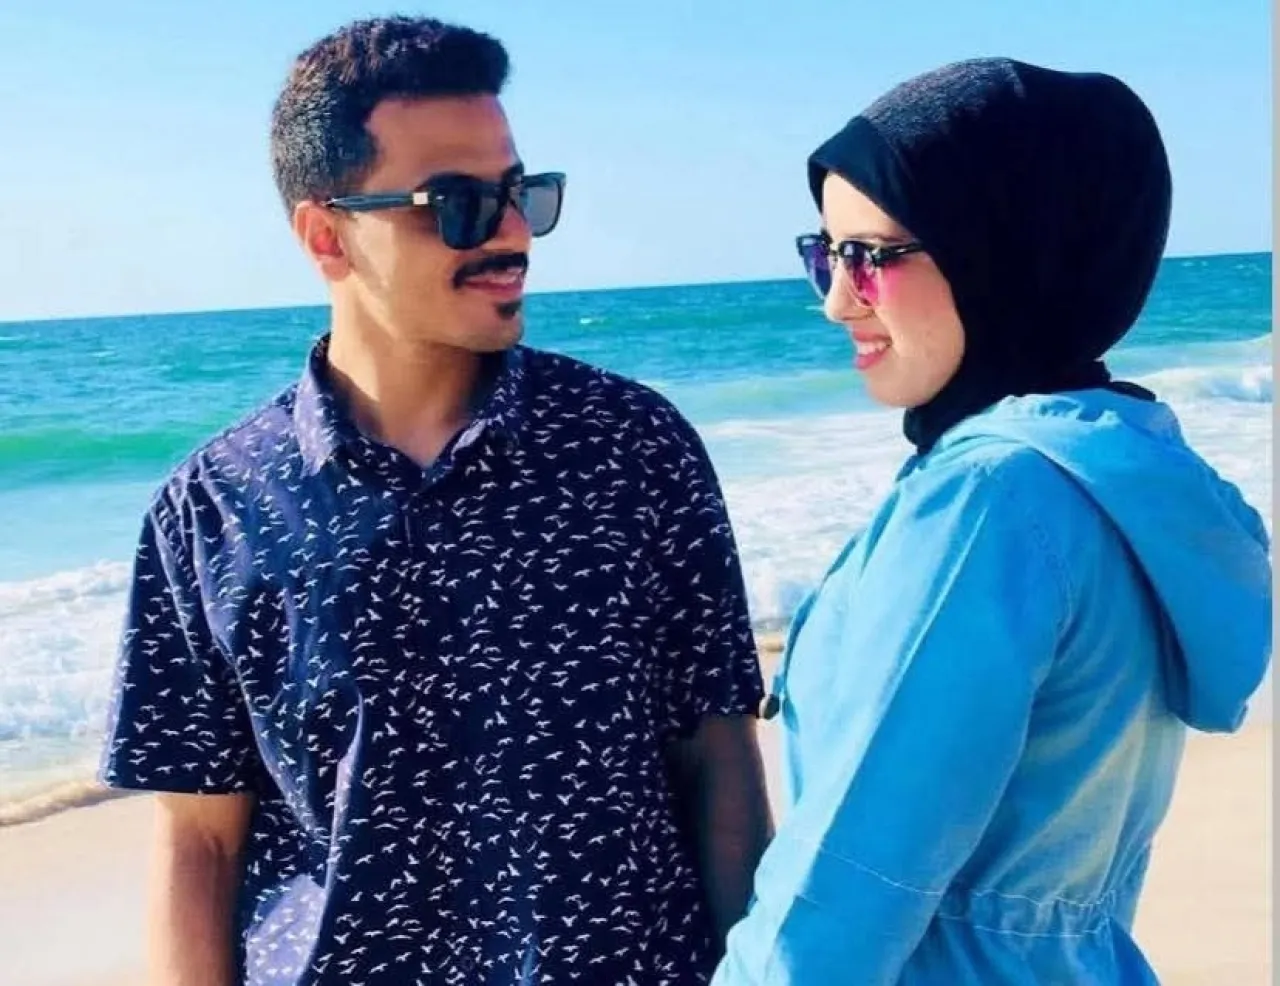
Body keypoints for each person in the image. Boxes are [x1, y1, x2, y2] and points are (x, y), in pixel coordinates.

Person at [99, 15, 772, 986]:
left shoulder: (635, 449)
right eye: (456, 203)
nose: (510, 233)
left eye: (520, 194)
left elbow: (718, 757)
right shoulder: (212, 510)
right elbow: (198, 840)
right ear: (326, 234)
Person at [711, 57, 1272, 984]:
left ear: (1001, 250)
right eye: (825, 253)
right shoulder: (1116, 478)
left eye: (870, 257)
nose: (837, 300)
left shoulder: (984, 504)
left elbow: (840, 896)